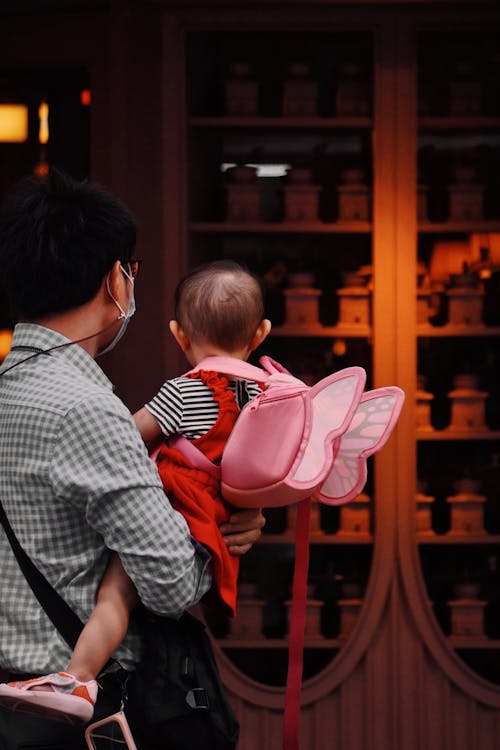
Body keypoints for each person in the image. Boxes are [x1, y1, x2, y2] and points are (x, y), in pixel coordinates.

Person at [0, 171, 264, 749]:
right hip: (76, 720)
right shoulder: (89, 410)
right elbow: (171, 584)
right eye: (133, 271)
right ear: (114, 281)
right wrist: (218, 529)